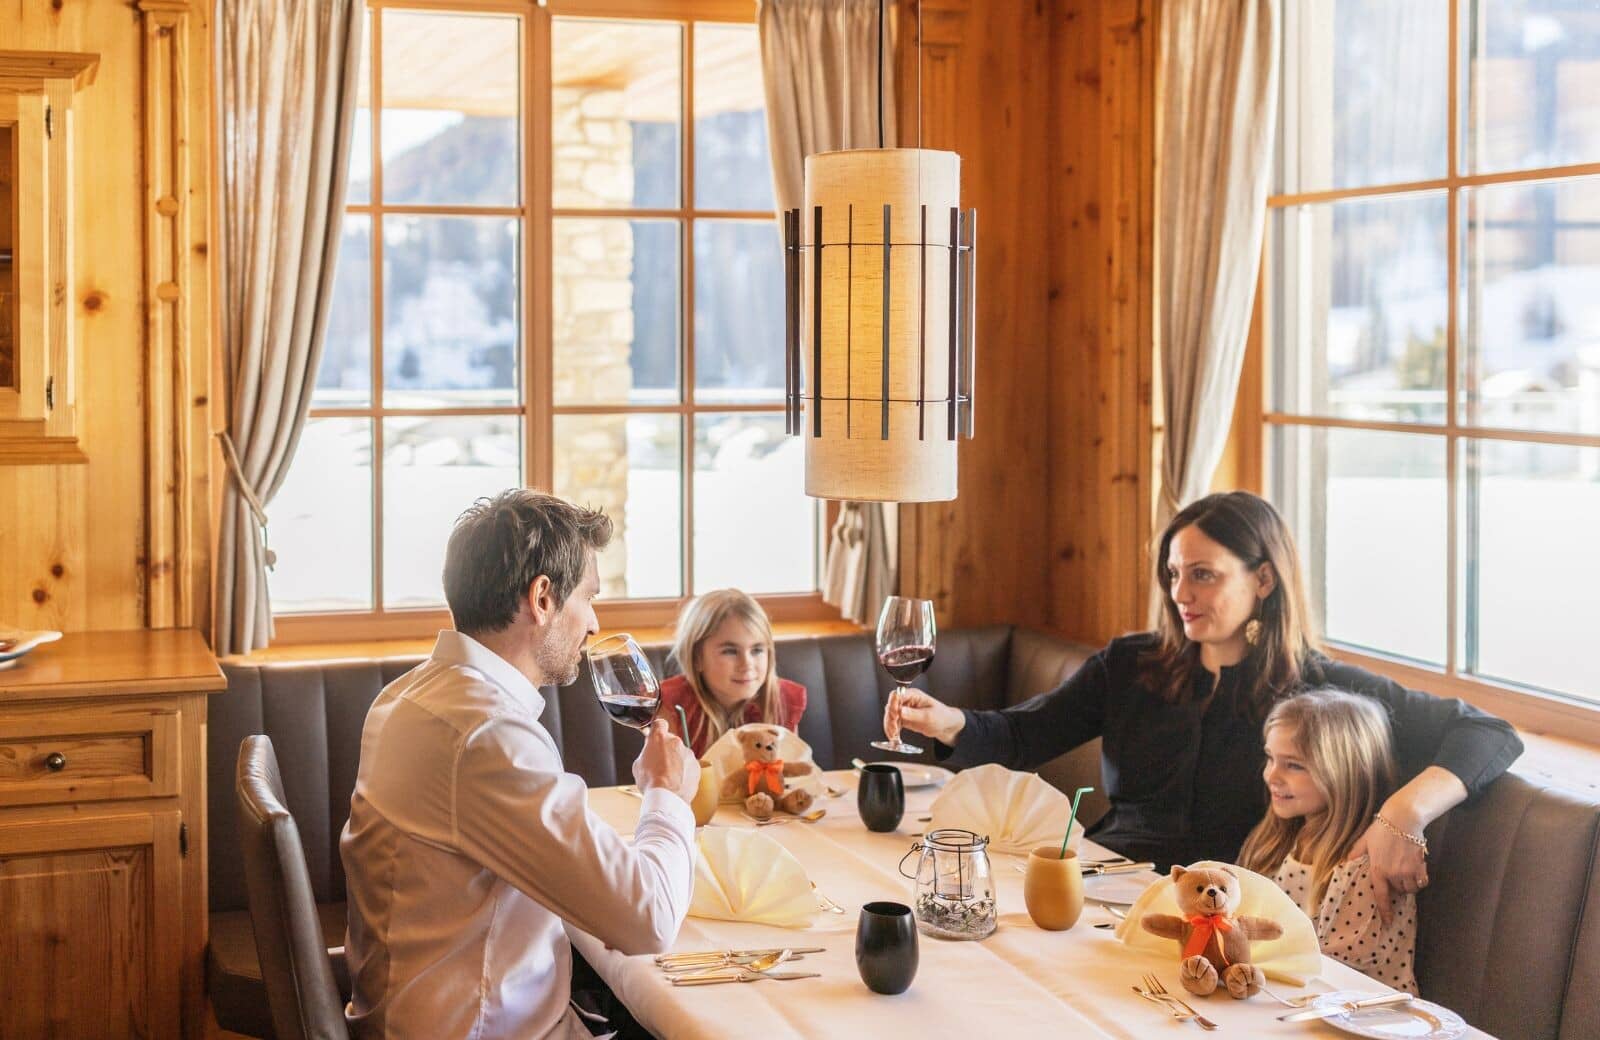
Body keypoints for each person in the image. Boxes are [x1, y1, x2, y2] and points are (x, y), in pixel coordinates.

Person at [886, 490, 1522, 918]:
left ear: (1264, 580)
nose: (1180, 593)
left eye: (1203, 574)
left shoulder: (1323, 695)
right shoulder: (1131, 665)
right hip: (1104, 895)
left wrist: (1404, 813)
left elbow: (1486, 730)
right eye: (1173, 573)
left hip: (1225, 921)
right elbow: (1025, 735)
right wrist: (948, 722)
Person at [340, 489, 700, 1040]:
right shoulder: (488, 738)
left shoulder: (405, 697)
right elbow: (648, 919)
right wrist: (666, 793)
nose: (594, 620)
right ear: (543, 598)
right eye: (589, 595)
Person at [1239, 689, 1419, 993]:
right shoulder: (1284, 838)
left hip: (1365, 1017)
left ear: (1344, 771)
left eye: (1293, 765)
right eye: (1270, 758)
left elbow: (1330, 974)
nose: (1272, 775)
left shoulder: (1362, 866)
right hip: (1285, 998)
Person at [659, 588, 807, 757]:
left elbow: (791, 773)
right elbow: (663, 778)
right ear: (696, 658)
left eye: (757, 650)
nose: (746, 664)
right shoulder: (673, 706)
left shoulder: (782, 701)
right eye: (730, 651)